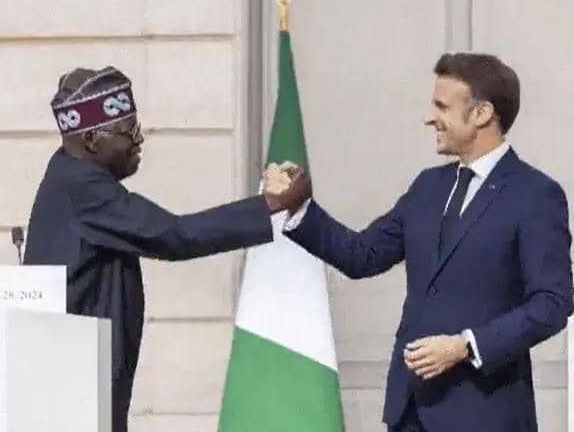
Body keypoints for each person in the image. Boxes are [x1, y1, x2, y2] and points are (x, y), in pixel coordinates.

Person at [266, 53, 573, 431]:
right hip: (409, 411)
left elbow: (552, 303)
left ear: (482, 113)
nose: (429, 117)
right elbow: (363, 255)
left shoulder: (535, 195)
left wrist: (465, 346)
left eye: (442, 106)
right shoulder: (428, 186)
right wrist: (298, 206)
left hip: (486, 414)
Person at [24, 66, 295, 432]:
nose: (139, 140)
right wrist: (270, 204)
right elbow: (176, 235)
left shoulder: (65, 172)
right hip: (72, 400)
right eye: (128, 131)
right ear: (91, 139)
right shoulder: (83, 188)